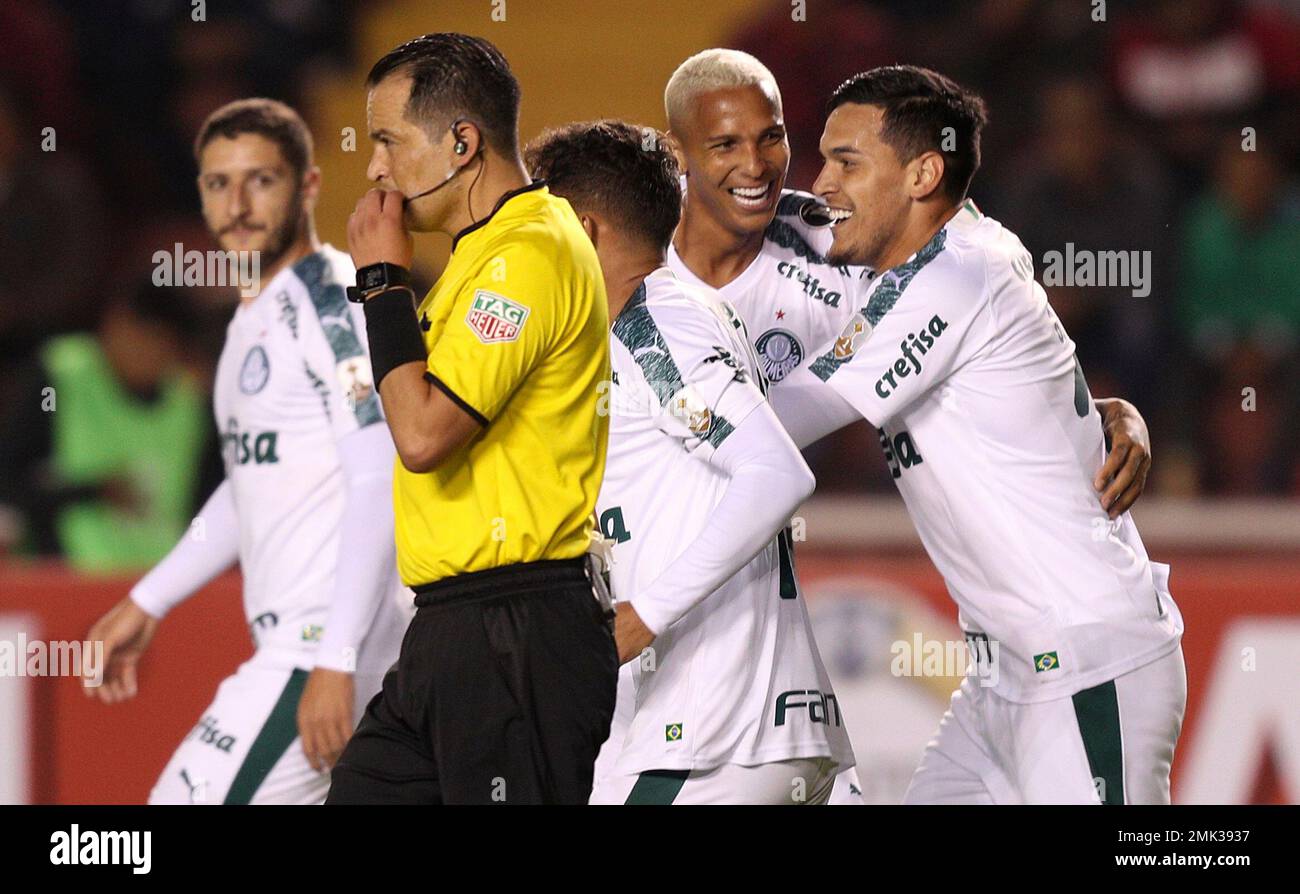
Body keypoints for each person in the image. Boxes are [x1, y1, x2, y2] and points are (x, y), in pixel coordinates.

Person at [659, 47, 1156, 802]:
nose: (821, 183)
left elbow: (777, 425)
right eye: (822, 157)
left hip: (1085, 661)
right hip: (1001, 681)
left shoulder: (952, 277)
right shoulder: (951, 249)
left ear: (923, 175)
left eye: (846, 163)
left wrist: (645, 397)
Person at [84, 98, 410, 804]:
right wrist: (149, 598)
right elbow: (250, 482)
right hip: (304, 650)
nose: (236, 203)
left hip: (320, 650)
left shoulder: (328, 304)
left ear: (310, 186)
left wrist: (337, 657)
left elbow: (378, 471)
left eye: (260, 180)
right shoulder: (247, 323)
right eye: (217, 183)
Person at [527, 119, 856, 804]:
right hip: (710, 729)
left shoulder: (657, 330)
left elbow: (777, 473)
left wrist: (642, 614)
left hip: (716, 735)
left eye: (536, 232)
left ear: (583, 234)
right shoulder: (632, 334)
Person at [325, 33, 616, 806]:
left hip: (518, 628)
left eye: (388, 140)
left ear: (462, 142)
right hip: (454, 628)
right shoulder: (480, 258)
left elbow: (422, 436)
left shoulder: (531, 252)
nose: (375, 167)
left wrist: (382, 282)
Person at [0, 281, 208, 571]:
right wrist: (95, 491)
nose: (143, 353)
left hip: (156, 584)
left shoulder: (189, 404)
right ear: (113, 326)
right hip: (66, 576)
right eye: (136, 337)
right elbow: (12, 483)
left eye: (157, 343)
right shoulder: (60, 378)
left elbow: (208, 501)